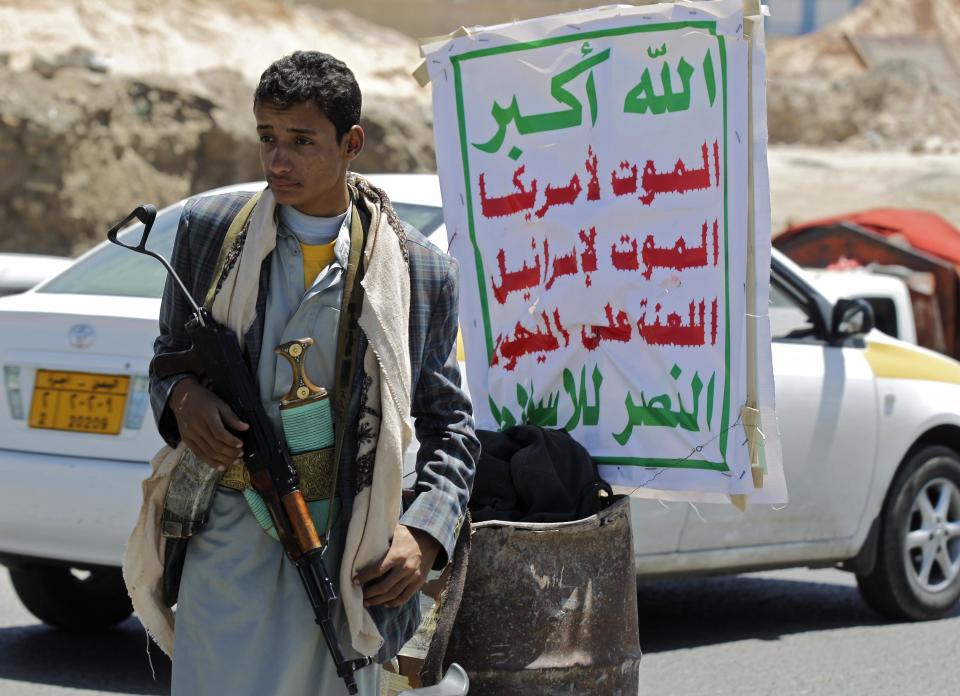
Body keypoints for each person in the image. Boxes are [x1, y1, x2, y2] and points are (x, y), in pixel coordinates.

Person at [147, 50, 478, 695]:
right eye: (267, 138)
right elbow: (167, 358)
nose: (278, 161)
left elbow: (450, 423)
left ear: (351, 142)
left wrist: (426, 533)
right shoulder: (211, 234)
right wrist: (184, 399)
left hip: (352, 554)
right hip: (229, 537)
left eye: (302, 141)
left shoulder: (417, 269)